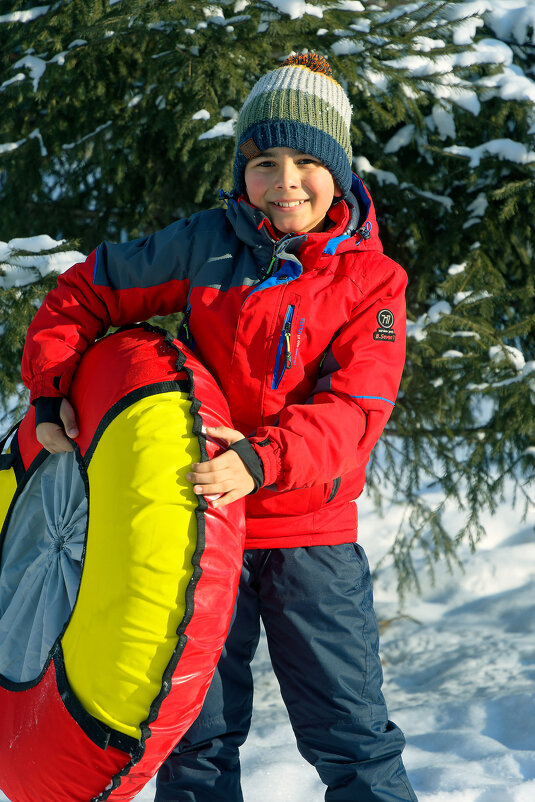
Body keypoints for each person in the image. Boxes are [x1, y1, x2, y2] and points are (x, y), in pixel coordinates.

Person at [22, 53, 418, 802]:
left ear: (338, 172)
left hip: (308, 536)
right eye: (263, 162)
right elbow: (87, 291)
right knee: (194, 739)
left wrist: (261, 460)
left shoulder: (374, 283)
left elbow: (353, 413)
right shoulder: (207, 242)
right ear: (242, 173)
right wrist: (53, 391)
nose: (285, 181)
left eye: (307, 161)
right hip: (197, 530)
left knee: (350, 735)